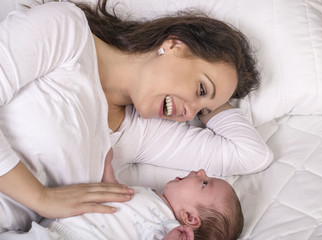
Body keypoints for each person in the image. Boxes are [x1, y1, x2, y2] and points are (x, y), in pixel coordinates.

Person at [0, 0, 273, 233]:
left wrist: (214, 106)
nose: (189, 112)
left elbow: (249, 155)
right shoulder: (65, 30)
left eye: (199, 109)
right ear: (176, 45)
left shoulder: (139, 132)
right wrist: (41, 197)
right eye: (201, 88)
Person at [0, 169, 243, 240]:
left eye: (204, 183)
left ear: (189, 218)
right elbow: (113, 194)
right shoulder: (153, 197)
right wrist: (107, 170)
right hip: (51, 231)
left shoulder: (167, 226)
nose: (199, 170)